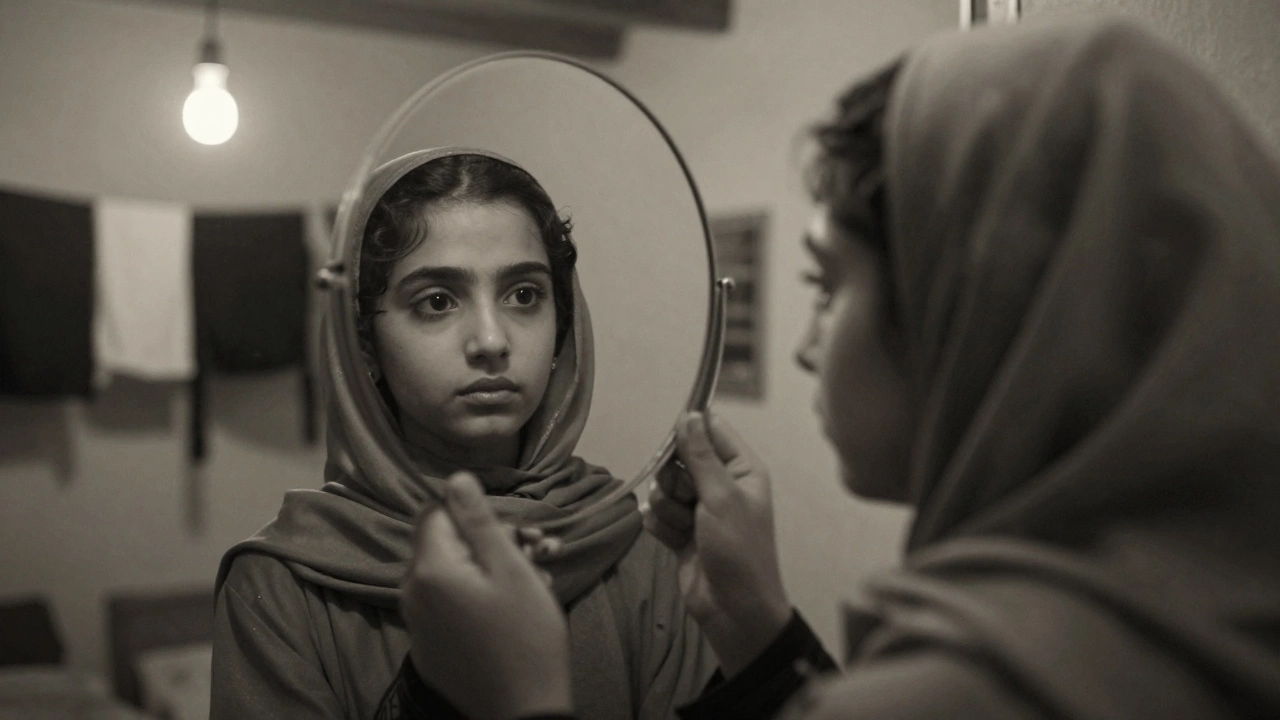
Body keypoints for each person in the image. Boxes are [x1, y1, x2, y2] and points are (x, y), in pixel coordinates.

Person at [394, 13, 1280, 720]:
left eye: (827, 285)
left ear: (968, 313)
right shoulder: (1211, 620)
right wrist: (764, 637)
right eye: (435, 299)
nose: (807, 347)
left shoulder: (976, 689)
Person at [210, 148, 717, 720]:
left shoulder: (628, 546)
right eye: (437, 301)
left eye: (524, 295)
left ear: (563, 324)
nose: (491, 340)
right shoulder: (280, 588)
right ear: (363, 345)